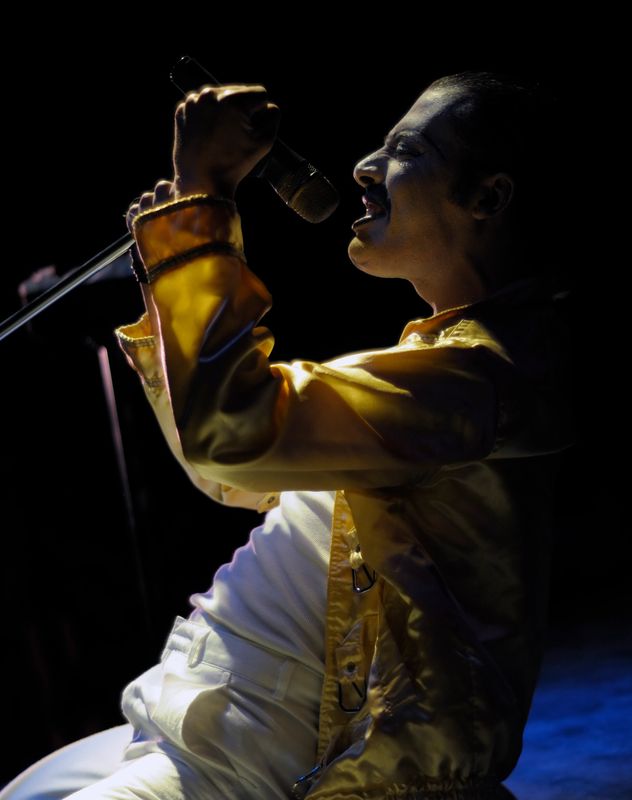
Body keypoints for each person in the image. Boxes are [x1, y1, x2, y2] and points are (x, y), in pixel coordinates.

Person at [2, 70, 573, 800]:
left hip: (248, 749)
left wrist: (202, 200)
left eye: (407, 150)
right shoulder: (447, 368)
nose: (365, 166)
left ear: (487, 198)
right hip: (199, 721)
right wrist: (169, 281)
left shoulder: (484, 380)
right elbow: (231, 472)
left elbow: (233, 437)